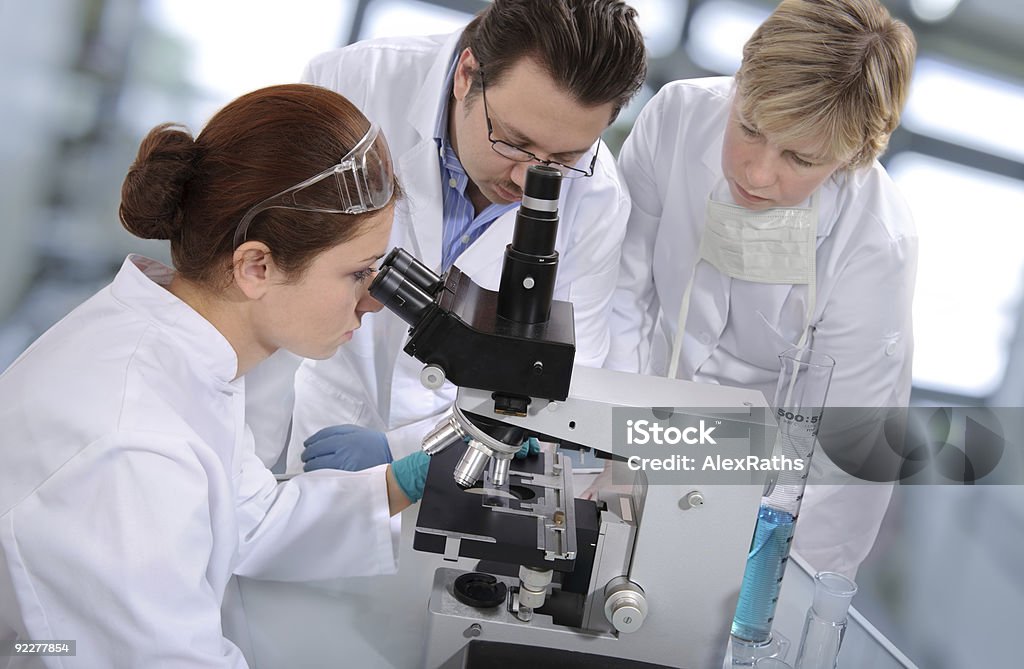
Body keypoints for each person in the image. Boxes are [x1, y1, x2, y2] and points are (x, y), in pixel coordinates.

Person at [0, 84, 431, 667]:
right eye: (357, 274)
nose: (373, 302)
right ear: (256, 265)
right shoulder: (132, 445)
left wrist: (411, 478)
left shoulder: (180, 356)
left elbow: (248, 517)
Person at [244, 0, 647, 474]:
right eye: (514, 143)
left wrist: (409, 451)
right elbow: (258, 290)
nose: (526, 179)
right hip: (308, 413)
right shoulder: (354, 85)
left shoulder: (598, 199)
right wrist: (246, 463)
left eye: (564, 158)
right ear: (466, 75)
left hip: (456, 463)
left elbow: (562, 382)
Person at [604, 0, 918, 579]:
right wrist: (607, 442)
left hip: (754, 486)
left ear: (851, 155)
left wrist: (774, 592)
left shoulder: (876, 243)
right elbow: (618, 296)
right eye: (749, 127)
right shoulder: (676, 116)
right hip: (625, 422)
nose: (756, 172)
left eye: (799, 157)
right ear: (742, 81)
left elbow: (852, 457)